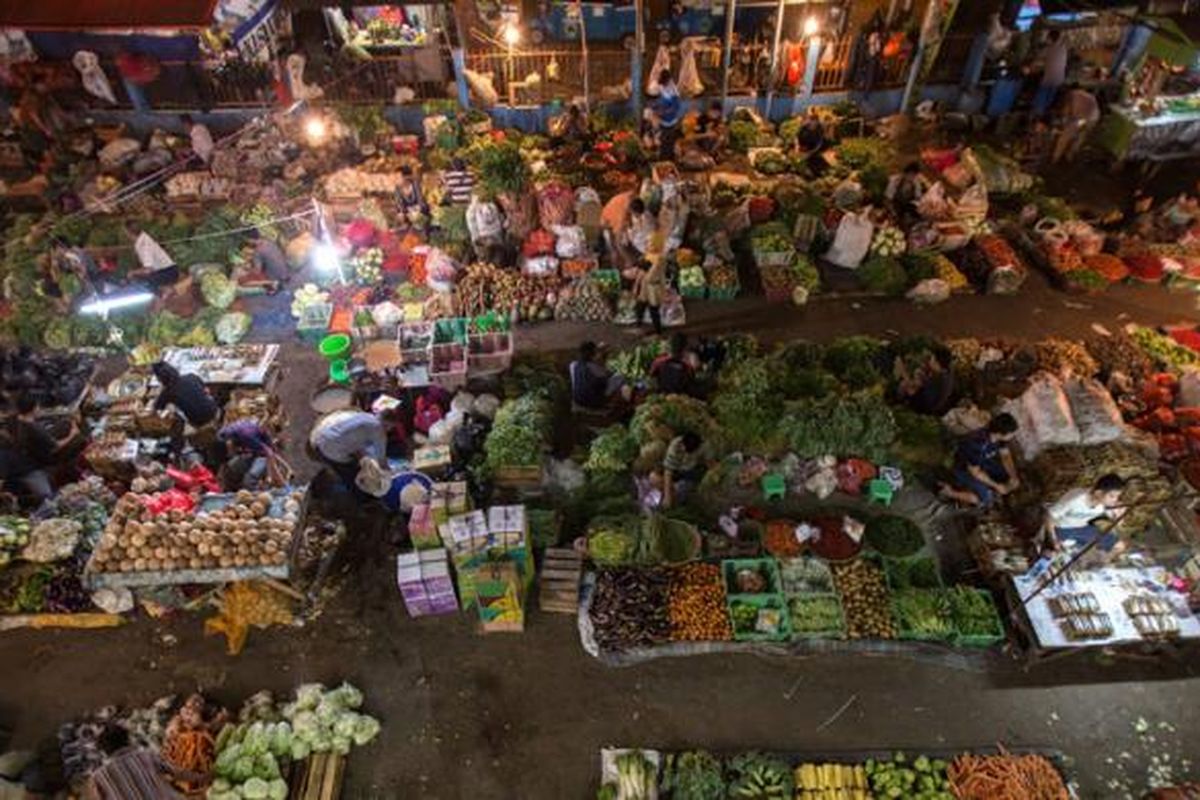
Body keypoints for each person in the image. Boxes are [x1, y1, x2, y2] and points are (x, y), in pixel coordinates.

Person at [2, 394, 76, 503]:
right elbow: (56, 446)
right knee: (47, 496)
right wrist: (73, 434)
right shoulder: (35, 430)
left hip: (25, 456)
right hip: (35, 464)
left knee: (63, 425)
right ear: (35, 408)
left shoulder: (12, 420)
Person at [940, 413, 1021, 508]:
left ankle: (989, 488)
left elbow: (1006, 457)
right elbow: (976, 473)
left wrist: (1013, 476)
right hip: (963, 468)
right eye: (1011, 434)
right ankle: (949, 492)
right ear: (1001, 433)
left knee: (1005, 475)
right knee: (986, 499)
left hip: (982, 462)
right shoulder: (977, 444)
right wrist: (997, 486)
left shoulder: (1000, 439)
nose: (1013, 436)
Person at [1040, 474, 1126, 559]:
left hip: (1082, 528)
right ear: (1098, 493)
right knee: (1050, 554)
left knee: (1119, 545)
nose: (1115, 500)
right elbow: (1049, 515)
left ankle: (1095, 563)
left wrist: (1119, 515)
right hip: (1063, 529)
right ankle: (1071, 552)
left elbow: (1118, 523)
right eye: (1112, 496)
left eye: (1117, 497)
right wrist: (1053, 539)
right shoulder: (1076, 498)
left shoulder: (1104, 504)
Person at [309, 409, 387, 489]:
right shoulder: (378, 428)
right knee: (351, 473)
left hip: (322, 436)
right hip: (332, 448)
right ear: (387, 423)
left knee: (341, 469)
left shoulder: (366, 415)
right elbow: (381, 455)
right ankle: (362, 495)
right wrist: (385, 468)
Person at [152, 362, 220, 429]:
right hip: (213, 409)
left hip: (198, 421)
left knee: (175, 410)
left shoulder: (167, 392)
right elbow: (206, 390)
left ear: (159, 379)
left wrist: (161, 390)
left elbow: (156, 406)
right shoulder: (191, 376)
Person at [217, 419, 276, 491]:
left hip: (264, 457)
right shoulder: (235, 427)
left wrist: (270, 475)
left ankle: (256, 494)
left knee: (250, 479)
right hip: (252, 453)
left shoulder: (247, 435)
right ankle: (236, 488)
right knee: (231, 467)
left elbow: (269, 453)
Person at [570, 341, 629, 411]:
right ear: (592, 354)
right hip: (594, 401)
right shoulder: (593, 367)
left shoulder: (573, 365)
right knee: (621, 377)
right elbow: (606, 376)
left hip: (578, 400)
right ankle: (624, 405)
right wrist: (604, 357)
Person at [894, 349, 955, 416]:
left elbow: (922, 398)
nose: (930, 361)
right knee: (911, 380)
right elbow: (927, 385)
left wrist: (903, 371)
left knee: (903, 385)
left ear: (937, 362)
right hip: (933, 404)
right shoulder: (946, 374)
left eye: (932, 359)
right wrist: (923, 377)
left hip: (924, 408)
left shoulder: (938, 380)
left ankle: (897, 406)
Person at [1053, 84, 1100, 163]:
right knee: (1080, 136)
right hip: (1095, 116)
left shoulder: (1071, 96)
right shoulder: (1082, 94)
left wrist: (1064, 122)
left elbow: (1067, 112)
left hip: (1085, 117)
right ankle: (1069, 155)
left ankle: (1055, 157)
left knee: (1065, 136)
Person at [662, 431, 707, 508]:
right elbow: (668, 471)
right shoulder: (675, 445)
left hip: (692, 472)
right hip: (677, 470)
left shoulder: (704, 446)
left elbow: (710, 463)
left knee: (684, 488)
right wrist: (667, 497)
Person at [1032, 29, 1069, 118]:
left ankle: (1037, 112)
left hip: (1049, 78)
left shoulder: (1048, 49)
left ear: (1050, 38)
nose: (1046, 40)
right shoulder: (1063, 48)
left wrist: (1034, 64)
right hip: (1060, 79)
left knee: (1042, 92)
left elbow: (1037, 59)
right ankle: (1044, 112)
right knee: (1050, 94)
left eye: (1047, 38)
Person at [654, 69, 683, 160]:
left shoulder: (674, 91)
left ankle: (668, 159)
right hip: (663, 121)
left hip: (671, 122)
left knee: (668, 143)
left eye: (664, 83)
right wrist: (656, 109)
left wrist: (662, 112)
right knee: (663, 142)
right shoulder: (663, 87)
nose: (663, 85)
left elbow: (675, 108)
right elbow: (660, 100)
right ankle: (664, 158)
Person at [887, 162, 928, 227]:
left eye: (914, 175)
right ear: (905, 173)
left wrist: (920, 206)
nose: (912, 177)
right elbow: (888, 200)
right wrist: (893, 213)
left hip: (908, 208)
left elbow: (918, 198)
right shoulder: (895, 181)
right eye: (910, 174)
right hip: (895, 207)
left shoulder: (916, 183)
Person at [633, 255, 666, 336]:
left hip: (653, 289)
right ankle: (638, 326)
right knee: (640, 307)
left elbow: (650, 277)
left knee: (653, 311)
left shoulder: (659, 261)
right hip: (645, 288)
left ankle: (658, 331)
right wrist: (636, 285)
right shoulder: (649, 255)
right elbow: (641, 272)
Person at [794, 109, 829, 176]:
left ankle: (816, 171)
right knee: (806, 158)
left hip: (815, 146)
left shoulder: (819, 128)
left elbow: (819, 143)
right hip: (808, 144)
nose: (812, 124)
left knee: (813, 159)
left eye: (814, 123)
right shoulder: (805, 126)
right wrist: (797, 145)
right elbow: (796, 136)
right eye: (810, 121)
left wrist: (810, 153)